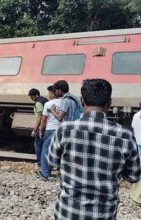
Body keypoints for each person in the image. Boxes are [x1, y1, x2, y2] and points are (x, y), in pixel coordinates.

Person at [48, 79, 141, 219]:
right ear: (109, 103)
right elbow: (134, 176)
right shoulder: (125, 135)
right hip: (103, 214)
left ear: (81, 100)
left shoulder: (65, 129)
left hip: (67, 212)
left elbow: (52, 162)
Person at [36, 86, 61, 180]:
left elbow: (44, 118)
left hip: (51, 129)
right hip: (62, 129)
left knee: (46, 149)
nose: (48, 95)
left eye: (49, 93)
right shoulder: (64, 102)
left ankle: (45, 172)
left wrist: (41, 129)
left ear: (53, 93)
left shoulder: (48, 104)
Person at [28, 88, 47, 168]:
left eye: (32, 97)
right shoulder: (45, 100)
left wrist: (34, 129)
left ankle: (40, 163)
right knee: (44, 145)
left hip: (41, 127)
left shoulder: (38, 103)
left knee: (38, 144)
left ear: (36, 95)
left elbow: (39, 117)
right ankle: (45, 162)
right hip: (47, 126)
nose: (32, 99)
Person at [131, 102, 141, 205]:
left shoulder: (136, 115)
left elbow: (133, 130)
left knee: (139, 169)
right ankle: (138, 197)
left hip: (138, 145)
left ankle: (135, 195)